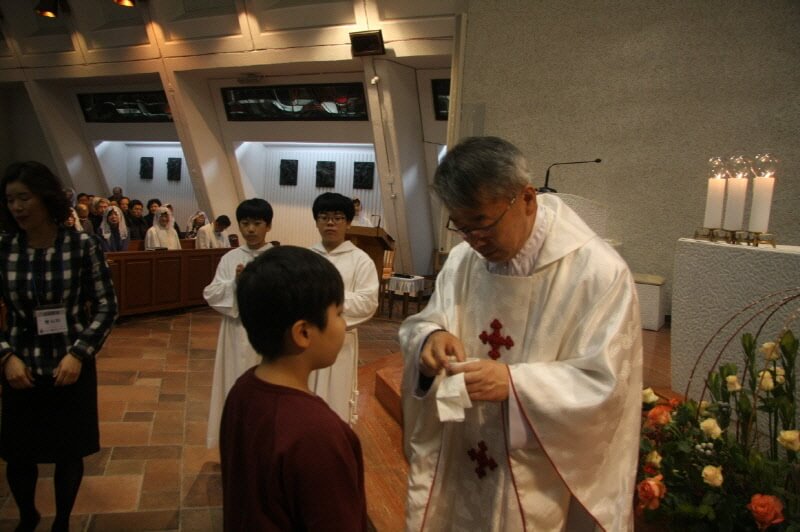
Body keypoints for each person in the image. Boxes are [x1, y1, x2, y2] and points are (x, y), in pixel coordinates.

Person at [399, 137, 643, 531]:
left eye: (482, 223)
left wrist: (515, 385)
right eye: (461, 226)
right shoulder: (464, 260)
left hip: (538, 476)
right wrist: (429, 340)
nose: (474, 240)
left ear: (527, 198)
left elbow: (607, 387)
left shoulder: (597, 273)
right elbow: (426, 322)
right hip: (461, 452)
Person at [0, 161, 118, 532]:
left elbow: (107, 306)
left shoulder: (81, 245)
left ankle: (62, 521)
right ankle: (27, 516)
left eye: (24, 198)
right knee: (19, 454)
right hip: (21, 366)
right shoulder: (5, 248)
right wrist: (6, 356)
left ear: (45, 198)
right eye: (10, 200)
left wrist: (79, 353)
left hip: (71, 364)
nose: (17, 207)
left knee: (69, 451)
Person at [220, 245, 368, 531]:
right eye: (339, 313)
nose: (344, 324)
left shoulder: (242, 390)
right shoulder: (318, 434)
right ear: (303, 333)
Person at [204, 198, 274, 448]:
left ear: (268, 226)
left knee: (266, 390)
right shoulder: (230, 258)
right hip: (235, 333)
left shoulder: (276, 259)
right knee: (234, 384)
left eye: (257, 223)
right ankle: (236, 445)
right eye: (245, 223)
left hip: (268, 335)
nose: (251, 229)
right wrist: (236, 284)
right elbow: (212, 293)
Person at [308, 193, 378, 424]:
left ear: (348, 222)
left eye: (338, 218)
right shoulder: (306, 257)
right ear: (316, 221)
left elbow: (367, 302)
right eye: (324, 217)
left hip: (340, 343)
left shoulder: (361, 260)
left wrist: (328, 298)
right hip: (306, 340)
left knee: (335, 401)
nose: (330, 223)